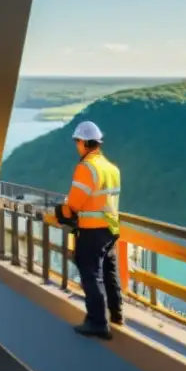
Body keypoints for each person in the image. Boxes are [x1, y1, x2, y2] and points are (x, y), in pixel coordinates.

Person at [57, 120, 123, 339]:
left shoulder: (86, 168)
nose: (77, 146)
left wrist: (62, 212)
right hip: (111, 229)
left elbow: (75, 203)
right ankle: (116, 314)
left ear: (85, 143)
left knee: (90, 274)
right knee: (109, 271)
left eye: (77, 142)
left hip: (92, 230)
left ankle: (97, 322)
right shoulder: (112, 168)